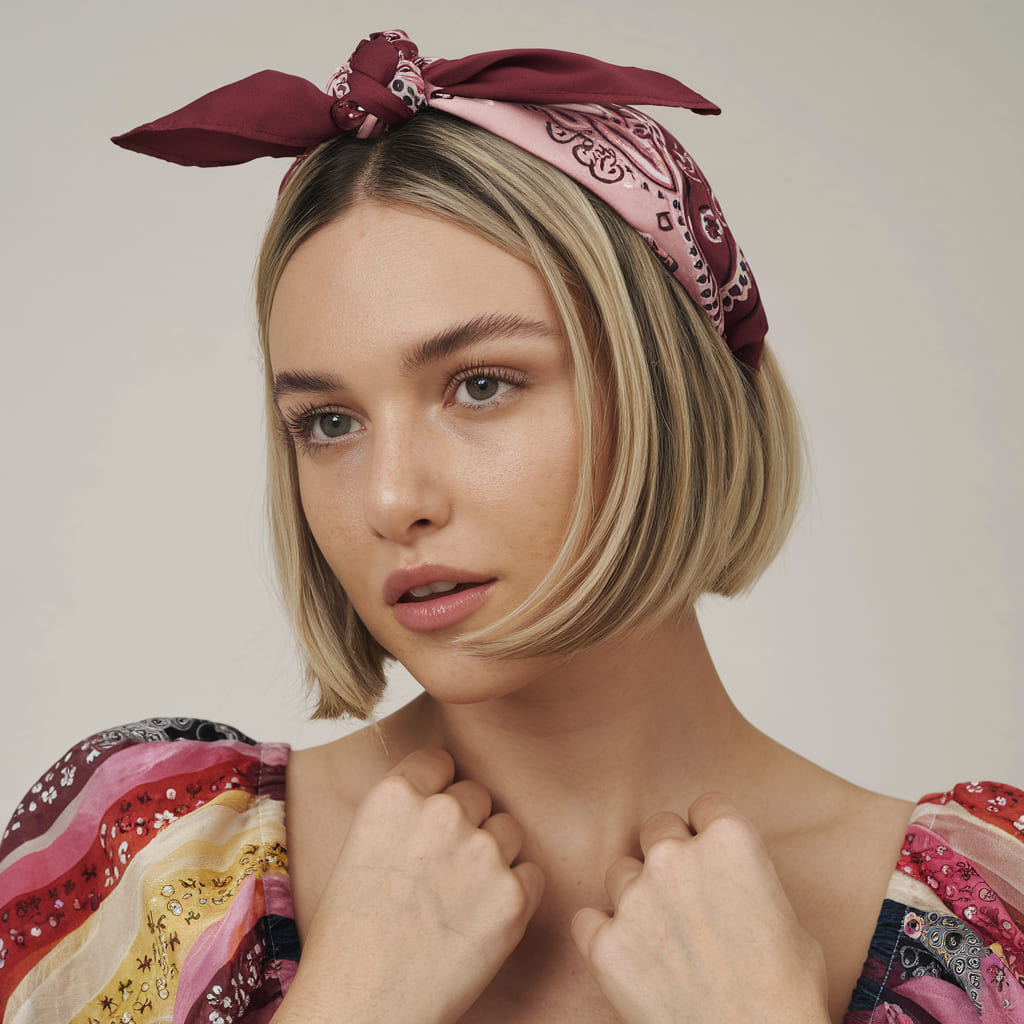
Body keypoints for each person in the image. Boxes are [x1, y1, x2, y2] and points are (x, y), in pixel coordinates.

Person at [1, 29, 1021, 1024]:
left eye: (481, 385)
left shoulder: (993, 930)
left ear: (671, 391)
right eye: (329, 422)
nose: (391, 498)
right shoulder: (148, 868)